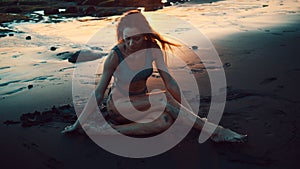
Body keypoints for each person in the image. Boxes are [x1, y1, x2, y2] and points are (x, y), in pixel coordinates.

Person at [62, 10, 247, 143]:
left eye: (136, 38)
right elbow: (99, 92)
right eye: (127, 38)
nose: (131, 43)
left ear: (145, 35)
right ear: (121, 36)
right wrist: (77, 123)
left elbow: (170, 81)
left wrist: (190, 114)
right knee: (163, 98)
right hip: (118, 106)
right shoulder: (115, 55)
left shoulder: (153, 49)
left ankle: (104, 131)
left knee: (165, 122)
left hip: (142, 103)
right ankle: (215, 131)